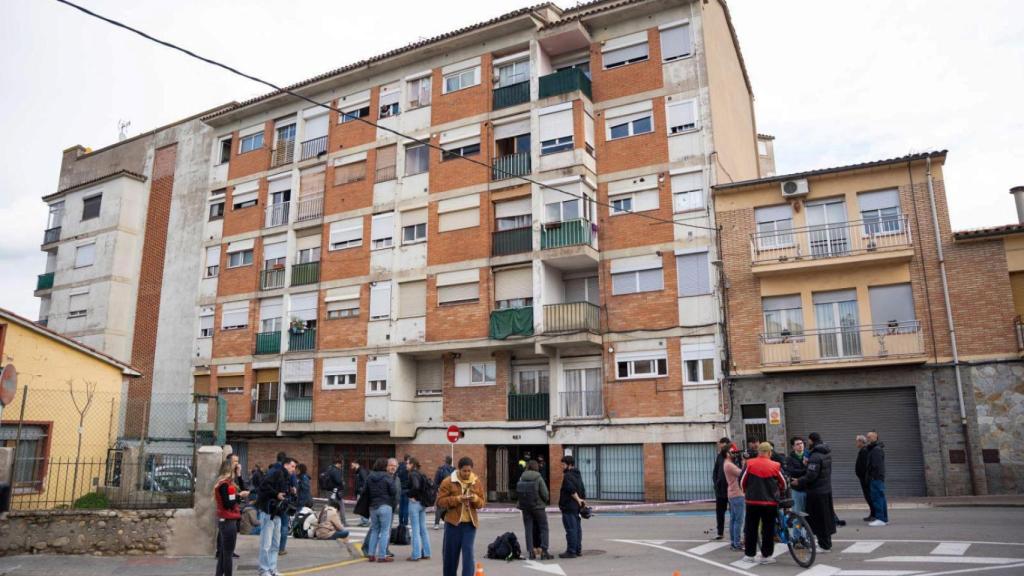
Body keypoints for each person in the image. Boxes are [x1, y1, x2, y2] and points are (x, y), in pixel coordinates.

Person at [739, 442, 787, 565]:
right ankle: (766, 556)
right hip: (769, 503)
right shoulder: (776, 465)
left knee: (751, 528)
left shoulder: (749, 463)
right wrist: (780, 491)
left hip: (752, 501)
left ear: (759, 451)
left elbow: (742, 481)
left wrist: (746, 491)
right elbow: (783, 483)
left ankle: (749, 555)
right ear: (769, 452)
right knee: (768, 529)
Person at [437, 456, 485, 576]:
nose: (467, 473)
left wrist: (475, 499)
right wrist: (457, 499)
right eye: (464, 471)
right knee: (450, 556)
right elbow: (440, 501)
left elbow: (482, 503)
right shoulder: (448, 481)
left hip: (470, 525)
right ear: (459, 470)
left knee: (468, 555)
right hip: (453, 524)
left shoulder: (476, 482)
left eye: (469, 471)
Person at [792, 432, 835, 552]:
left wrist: (798, 481)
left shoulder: (815, 456)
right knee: (825, 518)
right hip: (825, 489)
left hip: (817, 492)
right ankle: (826, 543)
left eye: (807, 441)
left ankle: (824, 545)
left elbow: (811, 475)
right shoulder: (826, 453)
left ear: (811, 441)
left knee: (819, 519)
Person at [256, 456, 296, 576]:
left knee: (275, 544)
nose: (294, 469)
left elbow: (282, 492)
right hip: (268, 512)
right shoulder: (276, 472)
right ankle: (264, 570)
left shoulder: (286, 477)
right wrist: (276, 494)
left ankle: (272, 569)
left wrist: (290, 492)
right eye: (292, 466)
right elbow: (263, 486)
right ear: (286, 465)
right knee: (266, 544)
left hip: (278, 513)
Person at [517, 460, 552, 560]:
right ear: (536, 467)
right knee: (543, 527)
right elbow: (545, 493)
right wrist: (544, 501)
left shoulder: (522, 477)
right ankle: (544, 551)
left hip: (525, 507)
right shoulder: (538, 477)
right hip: (538, 507)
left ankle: (531, 551)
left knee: (528, 528)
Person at [365, 457, 398, 562]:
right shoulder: (387, 477)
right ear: (384, 466)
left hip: (373, 507)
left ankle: (371, 554)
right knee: (384, 531)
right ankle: (382, 556)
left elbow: (365, 491)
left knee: (375, 530)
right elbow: (393, 491)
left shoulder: (369, 477)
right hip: (385, 505)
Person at [214, 459, 241, 576]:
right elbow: (228, 504)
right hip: (228, 521)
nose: (235, 471)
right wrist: (239, 497)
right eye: (235, 468)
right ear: (230, 469)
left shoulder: (223, 483)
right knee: (228, 554)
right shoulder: (224, 485)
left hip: (225, 521)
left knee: (224, 554)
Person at [558, 454, 586, 559]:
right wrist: (582, 501)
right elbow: (582, 489)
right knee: (577, 529)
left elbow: (571, 490)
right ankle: (578, 549)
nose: (562, 467)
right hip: (576, 508)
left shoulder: (568, 476)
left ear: (569, 465)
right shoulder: (578, 475)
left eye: (563, 464)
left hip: (568, 507)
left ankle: (571, 551)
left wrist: (578, 499)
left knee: (571, 530)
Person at [405, 457, 433, 561]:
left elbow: (416, 487)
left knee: (415, 530)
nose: (406, 465)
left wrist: (409, 495)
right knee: (423, 529)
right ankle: (426, 553)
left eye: (407, 463)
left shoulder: (412, 474)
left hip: (415, 503)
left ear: (412, 464)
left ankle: (416, 555)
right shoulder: (421, 474)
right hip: (422, 504)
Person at [723, 444, 745, 551]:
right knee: (738, 520)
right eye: (732, 452)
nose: (735, 453)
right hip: (737, 494)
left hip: (733, 493)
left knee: (733, 519)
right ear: (727, 453)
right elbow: (743, 473)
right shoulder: (729, 465)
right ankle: (736, 543)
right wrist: (744, 461)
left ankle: (734, 542)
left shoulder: (728, 463)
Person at [865, 431, 888, 526]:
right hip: (877, 477)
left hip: (876, 478)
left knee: (877, 498)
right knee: (880, 497)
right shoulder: (875, 449)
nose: (868, 439)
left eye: (869, 437)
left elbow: (876, 466)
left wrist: (873, 476)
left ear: (875, 437)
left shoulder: (876, 450)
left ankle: (880, 519)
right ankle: (884, 519)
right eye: (867, 437)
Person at [711, 437, 731, 541]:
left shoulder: (732, 456)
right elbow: (715, 471)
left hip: (731, 489)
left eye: (723, 446)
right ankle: (720, 532)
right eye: (720, 446)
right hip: (720, 490)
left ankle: (735, 534)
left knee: (735, 513)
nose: (721, 448)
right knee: (720, 512)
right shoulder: (719, 456)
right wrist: (716, 483)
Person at [785, 437, 808, 514]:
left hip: (809, 488)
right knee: (798, 513)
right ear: (793, 447)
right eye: (797, 444)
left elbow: (813, 472)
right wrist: (805, 468)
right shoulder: (790, 458)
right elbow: (792, 472)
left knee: (810, 513)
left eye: (801, 443)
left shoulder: (809, 455)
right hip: (797, 489)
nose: (800, 445)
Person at [855, 435, 874, 521]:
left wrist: (864, 477)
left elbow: (865, 466)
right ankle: (873, 513)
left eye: (857, 441)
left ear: (862, 442)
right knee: (868, 496)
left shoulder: (864, 451)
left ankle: (874, 514)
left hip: (865, 479)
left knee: (869, 496)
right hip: (863, 478)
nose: (856, 443)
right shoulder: (863, 450)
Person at [433, 455, 455, 530]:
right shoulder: (454, 470)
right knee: (450, 507)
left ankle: (436, 524)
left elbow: (436, 482)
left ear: (445, 461)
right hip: (452, 492)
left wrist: (437, 490)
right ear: (451, 462)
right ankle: (449, 522)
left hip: (442, 491)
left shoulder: (440, 470)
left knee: (439, 508)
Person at [324, 458, 348, 526]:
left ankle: (327, 520)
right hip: (335, 491)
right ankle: (343, 522)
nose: (342, 465)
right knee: (341, 506)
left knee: (330, 506)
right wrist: (342, 483)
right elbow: (338, 480)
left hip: (329, 490)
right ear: (338, 463)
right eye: (341, 464)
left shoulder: (329, 468)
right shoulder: (336, 470)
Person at [351, 460, 370, 527]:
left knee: (363, 507)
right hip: (359, 492)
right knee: (361, 507)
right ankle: (363, 521)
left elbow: (365, 481)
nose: (351, 466)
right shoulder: (358, 471)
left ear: (356, 464)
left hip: (362, 492)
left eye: (352, 464)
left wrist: (361, 490)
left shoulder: (361, 471)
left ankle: (365, 521)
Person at [397, 454, 411, 528]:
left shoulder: (399, 466)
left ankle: (400, 522)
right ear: (408, 459)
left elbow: (397, 476)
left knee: (401, 507)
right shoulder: (408, 467)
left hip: (400, 489)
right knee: (405, 507)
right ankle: (405, 522)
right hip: (406, 489)